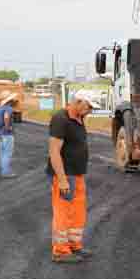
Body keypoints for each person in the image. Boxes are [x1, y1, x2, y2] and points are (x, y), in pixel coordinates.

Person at [47, 97, 94, 263]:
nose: (88, 111)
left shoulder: (79, 118)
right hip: (65, 175)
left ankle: (74, 244)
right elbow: (54, 151)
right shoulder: (60, 119)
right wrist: (62, 180)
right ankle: (60, 250)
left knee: (77, 212)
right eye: (87, 107)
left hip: (78, 174)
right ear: (76, 102)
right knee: (63, 212)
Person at [0, 93, 17, 178]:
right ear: (9, 100)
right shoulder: (9, 108)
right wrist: (7, 127)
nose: (13, 100)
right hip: (7, 134)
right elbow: (6, 117)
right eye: (12, 99)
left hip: (0, 134)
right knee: (7, 153)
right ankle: (6, 172)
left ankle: (4, 170)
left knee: (3, 153)